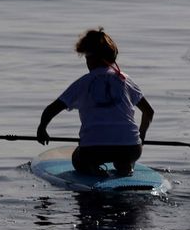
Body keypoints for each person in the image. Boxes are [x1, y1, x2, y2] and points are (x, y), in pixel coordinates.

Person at [37, 30, 154, 176]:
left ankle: (94, 171)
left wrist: (42, 128)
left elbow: (51, 109)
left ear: (90, 58)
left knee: (77, 159)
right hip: (131, 148)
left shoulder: (83, 83)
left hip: (94, 149)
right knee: (124, 156)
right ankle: (125, 167)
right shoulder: (125, 80)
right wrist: (141, 136)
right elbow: (149, 112)